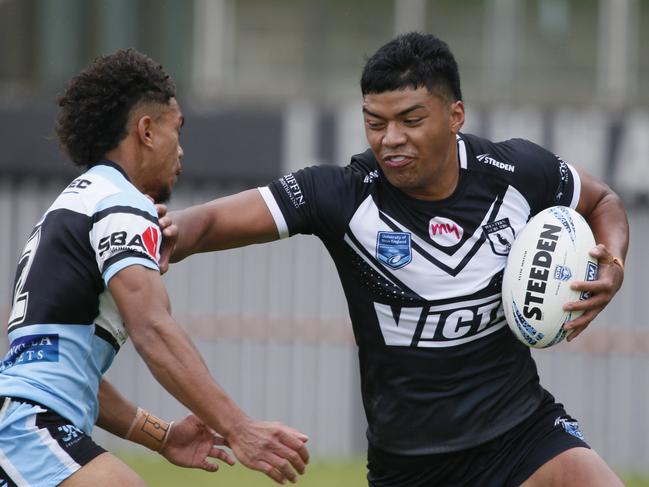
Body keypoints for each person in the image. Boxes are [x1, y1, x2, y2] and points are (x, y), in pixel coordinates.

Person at [164, 32, 630, 486]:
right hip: (411, 466)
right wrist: (145, 237)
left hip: (524, 435)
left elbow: (603, 201)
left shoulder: (515, 173)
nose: (390, 139)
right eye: (374, 122)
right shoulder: (341, 196)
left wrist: (613, 266)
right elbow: (202, 225)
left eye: (411, 120)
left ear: (455, 115)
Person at [0, 49, 309, 486]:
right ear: (146, 131)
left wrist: (163, 437)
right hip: (32, 432)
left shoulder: (72, 205)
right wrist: (240, 429)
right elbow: (153, 329)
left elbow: (65, 372)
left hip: (19, 426)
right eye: (176, 131)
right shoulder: (120, 203)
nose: (180, 152)